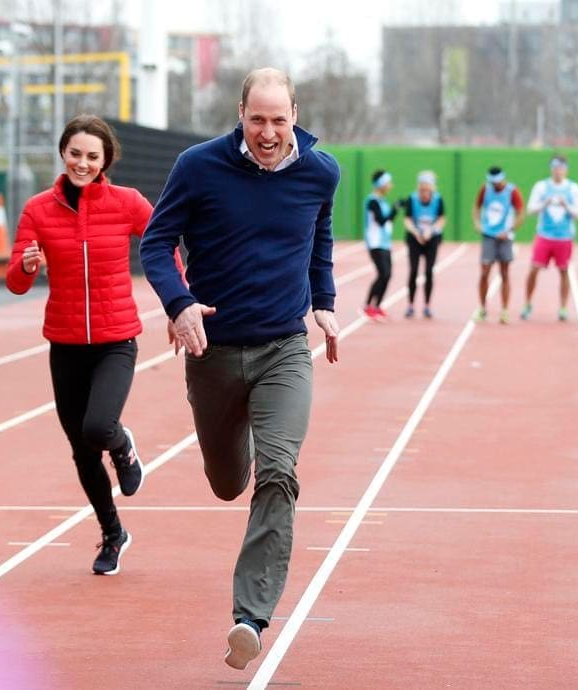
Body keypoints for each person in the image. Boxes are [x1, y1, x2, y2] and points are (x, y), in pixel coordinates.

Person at [138, 67, 340, 671]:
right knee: (229, 481)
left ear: (295, 116)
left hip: (283, 348)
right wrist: (179, 305)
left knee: (278, 474)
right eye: (258, 119)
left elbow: (319, 237)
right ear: (240, 114)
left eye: (280, 120)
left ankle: (249, 617)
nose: (269, 132)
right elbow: (155, 242)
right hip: (213, 352)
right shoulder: (199, 166)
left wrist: (324, 302)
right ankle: (240, 444)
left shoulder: (321, 171)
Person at [6, 114, 150, 577]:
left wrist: (180, 299)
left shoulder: (127, 203)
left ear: (106, 159)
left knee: (98, 427)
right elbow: (14, 283)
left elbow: (163, 242)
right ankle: (113, 535)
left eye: (92, 156)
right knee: (82, 450)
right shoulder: (38, 210)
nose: (82, 163)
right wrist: (28, 265)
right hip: (65, 343)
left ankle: (123, 445)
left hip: (116, 339)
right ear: (63, 153)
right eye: (75, 154)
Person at [521, 155, 578, 322]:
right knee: (534, 269)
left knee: (564, 271)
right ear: (551, 168)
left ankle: (563, 307)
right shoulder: (541, 187)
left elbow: (577, 214)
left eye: (561, 167)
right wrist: (545, 203)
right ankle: (527, 303)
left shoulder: (573, 188)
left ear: (566, 169)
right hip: (544, 235)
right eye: (555, 167)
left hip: (564, 237)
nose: (558, 170)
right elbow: (530, 210)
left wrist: (566, 205)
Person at [472, 166, 524, 324]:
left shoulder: (512, 191)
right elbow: (476, 207)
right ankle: (482, 309)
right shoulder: (485, 189)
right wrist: (477, 223)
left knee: (505, 273)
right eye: (492, 182)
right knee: (484, 272)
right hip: (488, 236)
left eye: (497, 182)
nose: (495, 185)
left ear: (503, 178)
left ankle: (504, 310)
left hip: (505, 237)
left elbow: (521, 212)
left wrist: (510, 229)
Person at [402, 170, 446, 318]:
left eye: (427, 189)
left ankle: (427, 305)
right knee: (413, 271)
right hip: (415, 238)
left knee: (428, 271)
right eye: (422, 189)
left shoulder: (438, 200)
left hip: (431, 238)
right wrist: (416, 233)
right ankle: (410, 305)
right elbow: (407, 219)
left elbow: (441, 219)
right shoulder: (412, 199)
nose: (424, 192)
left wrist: (431, 231)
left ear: (432, 188)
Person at [362, 169, 398, 321]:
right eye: (388, 183)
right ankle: (368, 305)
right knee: (383, 273)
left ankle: (377, 306)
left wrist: (395, 210)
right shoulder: (373, 201)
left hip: (385, 243)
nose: (390, 186)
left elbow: (388, 221)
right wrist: (395, 209)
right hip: (375, 243)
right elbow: (382, 220)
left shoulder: (382, 201)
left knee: (388, 274)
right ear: (381, 184)